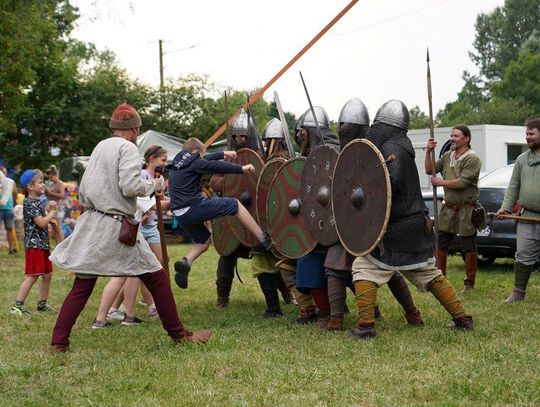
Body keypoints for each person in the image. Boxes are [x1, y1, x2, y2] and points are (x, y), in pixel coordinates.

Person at [50, 103, 211, 352]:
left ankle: (59, 342)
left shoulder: (100, 146)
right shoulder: (127, 148)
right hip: (116, 226)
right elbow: (130, 186)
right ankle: (179, 334)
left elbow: (87, 188)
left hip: (92, 223)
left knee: (82, 285)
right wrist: (154, 185)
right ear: (135, 129)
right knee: (157, 278)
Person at [350, 100, 473, 340]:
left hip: (399, 227)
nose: (374, 128)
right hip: (413, 226)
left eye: (378, 124)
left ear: (387, 126)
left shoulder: (392, 147)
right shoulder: (400, 145)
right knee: (429, 273)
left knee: (363, 268)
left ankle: (366, 327)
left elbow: (388, 186)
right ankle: (462, 318)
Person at [323, 98, 423, 331]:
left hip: (369, 220)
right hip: (346, 218)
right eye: (342, 125)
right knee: (335, 268)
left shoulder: (373, 148)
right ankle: (337, 319)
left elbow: (380, 186)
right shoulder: (346, 149)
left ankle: (411, 312)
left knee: (388, 268)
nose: (344, 129)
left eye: (349, 125)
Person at [169, 136, 272, 290]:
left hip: (179, 214)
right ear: (196, 152)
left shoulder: (178, 164)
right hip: (193, 208)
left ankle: (186, 263)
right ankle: (263, 238)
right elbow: (213, 166)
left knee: (203, 241)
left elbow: (205, 159)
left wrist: (223, 153)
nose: (202, 159)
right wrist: (241, 169)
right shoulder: (195, 162)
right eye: (201, 155)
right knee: (235, 204)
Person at [97, 145, 169, 326]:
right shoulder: (138, 180)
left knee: (134, 273)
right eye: (163, 160)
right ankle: (105, 317)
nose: (165, 164)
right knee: (125, 274)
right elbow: (149, 205)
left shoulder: (142, 180)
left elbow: (152, 203)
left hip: (135, 228)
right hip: (133, 229)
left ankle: (123, 313)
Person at [425, 125, 483, 292]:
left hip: (467, 209)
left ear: (467, 139)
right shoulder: (447, 156)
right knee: (440, 243)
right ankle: (439, 281)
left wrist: (440, 183)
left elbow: (462, 182)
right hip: (449, 208)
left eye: (456, 136)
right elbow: (430, 169)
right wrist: (428, 152)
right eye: (451, 135)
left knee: (468, 245)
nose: (452, 138)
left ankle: (469, 284)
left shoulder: (473, 159)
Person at [497, 118, 540, 303]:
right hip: (528, 217)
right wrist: (506, 208)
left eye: (531, 133)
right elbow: (513, 186)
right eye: (526, 133)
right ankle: (518, 293)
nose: (527, 137)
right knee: (523, 255)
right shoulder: (522, 160)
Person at [10, 169, 57, 316]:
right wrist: (53, 212)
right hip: (34, 246)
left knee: (47, 274)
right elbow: (42, 223)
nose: (43, 185)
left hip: (42, 244)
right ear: (30, 186)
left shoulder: (37, 202)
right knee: (33, 275)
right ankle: (17, 306)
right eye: (41, 182)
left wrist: (50, 217)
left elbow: (42, 221)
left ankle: (42, 304)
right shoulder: (30, 203)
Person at [44, 165, 66, 244]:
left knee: (58, 228)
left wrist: (50, 193)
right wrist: (46, 192)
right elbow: (49, 195)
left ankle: (62, 245)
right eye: (49, 178)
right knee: (54, 228)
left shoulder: (61, 184)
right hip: (51, 208)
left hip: (58, 207)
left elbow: (62, 196)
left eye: (51, 177)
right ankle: (57, 244)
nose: (50, 179)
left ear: (55, 175)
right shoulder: (51, 184)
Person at [0, 166, 18, 254]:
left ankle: (11, 248)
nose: (4, 173)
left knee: (10, 229)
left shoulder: (11, 182)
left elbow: (15, 194)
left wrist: (13, 203)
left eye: (5, 172)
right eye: (2, 172)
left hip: (8, 209)